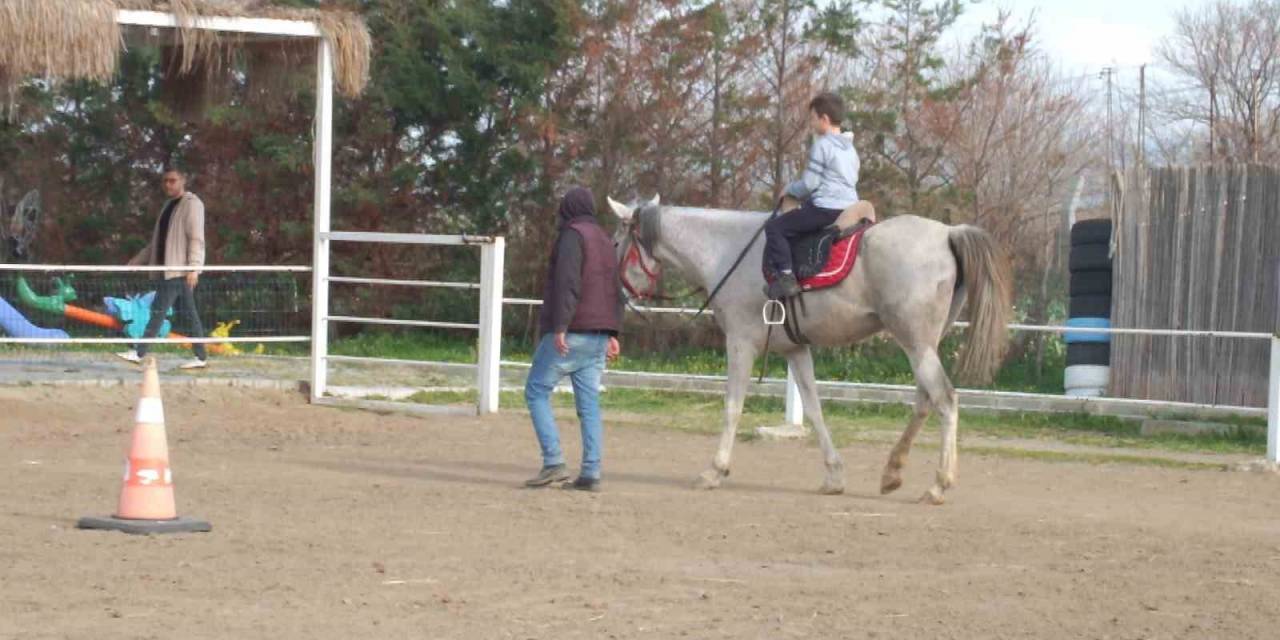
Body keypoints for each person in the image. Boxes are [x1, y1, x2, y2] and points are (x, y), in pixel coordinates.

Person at [524, 187, 624, 492]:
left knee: (536, 390)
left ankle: (553, 462)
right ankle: (591, 472)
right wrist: (613, 332)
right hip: (599, 336)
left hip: (573, 331)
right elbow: (616, 288)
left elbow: (567, 282)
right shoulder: (605, 240)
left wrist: (560, 326)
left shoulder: (572, 235)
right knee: (589, 404)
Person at [764, 91, 861, 299]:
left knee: (774, 227)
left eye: (813, 118)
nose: (811, 123)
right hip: (850, 208)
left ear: (824, 119)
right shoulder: (850, 148)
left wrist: (789, 189)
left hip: (827, 207)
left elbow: (810, 184)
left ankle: (787, 278)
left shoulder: (823, 144)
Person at [116, 169, 208, 370]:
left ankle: (139, 352)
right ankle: (201, 356)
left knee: (158, 311)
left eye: (172, 180)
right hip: (168, 271)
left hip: (178, 271)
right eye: (165, 181)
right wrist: (136, 261)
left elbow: (196, 238)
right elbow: (156, 243)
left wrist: (194, 267)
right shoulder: (168, 206)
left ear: (183, 180)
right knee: (189, 314)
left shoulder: (192, 204)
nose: (168, 184)